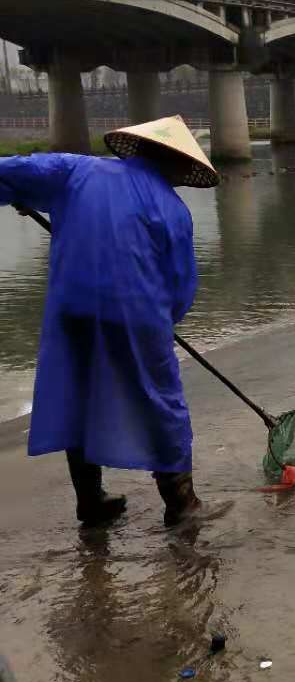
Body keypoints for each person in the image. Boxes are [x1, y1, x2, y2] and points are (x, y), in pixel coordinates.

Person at [0, 115, 219, 528]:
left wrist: (20, 192)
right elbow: (179, 287)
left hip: (73, 310)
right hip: (137, 316)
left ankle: (91, 502)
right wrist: (162, 323)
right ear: (173, 163)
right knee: (160, 400)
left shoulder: (75, 170)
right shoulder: (172, 210)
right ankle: (181, 502)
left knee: (79, 395)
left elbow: (10, 171)